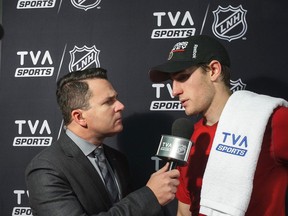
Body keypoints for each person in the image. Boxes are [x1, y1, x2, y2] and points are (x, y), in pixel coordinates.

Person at [149, 35, 288, 216]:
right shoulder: (191, 137)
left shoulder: (271, 121)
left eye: (183, 77)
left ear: (213, 70)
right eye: (171, 81)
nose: (174, 91)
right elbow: (184, 211)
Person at [25, 67, 180, 216]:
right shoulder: (47, 169)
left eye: (116, 99)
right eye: (108, 102)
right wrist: (149, 196)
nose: (120, 106)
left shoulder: (117, 159)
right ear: (79, 117)